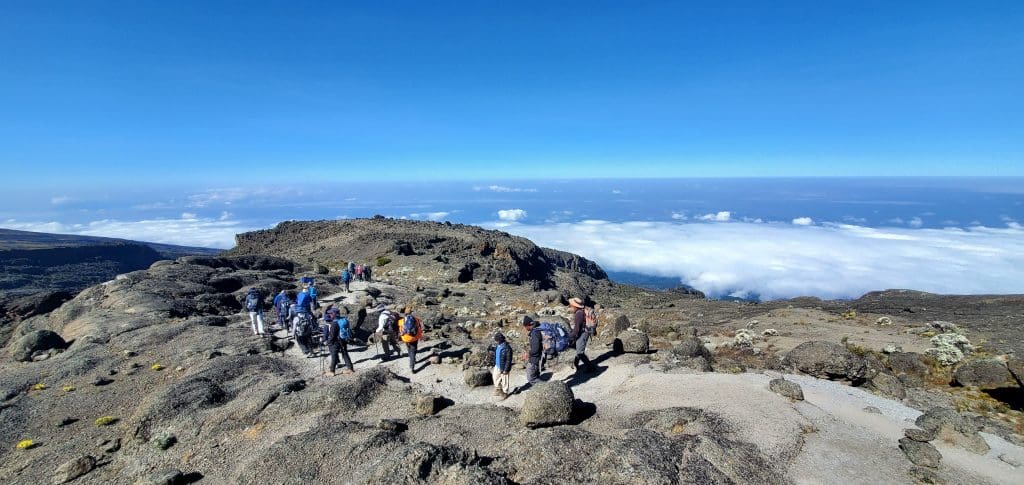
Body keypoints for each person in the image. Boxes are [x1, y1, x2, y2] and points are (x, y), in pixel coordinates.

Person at [323, 306, 354, 376]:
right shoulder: (344, 320)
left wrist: (328, 343)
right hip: (344, 339)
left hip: (336, 341)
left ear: (334, 314)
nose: (329, 315)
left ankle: (332, 371)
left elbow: (332, 335)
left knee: (334, 355)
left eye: (331, 313)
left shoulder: (334, 323)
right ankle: (350, 369)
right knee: (345, 354)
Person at [569, 297, 595, 372]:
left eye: (571, 305)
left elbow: (577, 329)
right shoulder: (581, 312)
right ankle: (576, 364)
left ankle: (591, 368)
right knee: (578, 349)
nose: (570, 306)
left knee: (580, 352)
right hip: (583, 332)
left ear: (575, 306)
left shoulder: (579, 314)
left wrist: (569, 336)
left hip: (583, 333)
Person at [398, 307, 423, 373]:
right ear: (411, 312)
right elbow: (419, 328)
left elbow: (399, 329)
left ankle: (413, 360)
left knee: (409, 349)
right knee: (413, 351)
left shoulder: (400, 321)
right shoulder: (416, 319)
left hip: (405, 338)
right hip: (414, 338)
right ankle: (412, 366)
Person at [294, 287, 315, 355]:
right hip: (307, 316)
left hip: (301, 330)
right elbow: (311, 302)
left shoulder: (299, 294)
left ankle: (306, 351)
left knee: (300, 338)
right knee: (309, 337)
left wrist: (293, 333)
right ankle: (311, 351)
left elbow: (297, 302)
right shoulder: (308, 295)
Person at [522, 315, 543, 385]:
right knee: (535, 376)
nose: (525, 328)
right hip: (537, 358)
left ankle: (545, 388)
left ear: (527, 325)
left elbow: (535, 349)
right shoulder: (536, 331)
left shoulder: (534, 333)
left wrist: (528, 354)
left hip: (534, 359)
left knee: (531, 378)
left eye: (525, 326)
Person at [491, 332, 512, 399]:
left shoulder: (507, 348)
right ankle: (498, 389)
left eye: (497, 340)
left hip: (504, 367)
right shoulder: (498, 346)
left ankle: (505, 393)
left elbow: (509, 360)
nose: (497, 341)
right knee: (495, 378)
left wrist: (506, 369)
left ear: (501, 339)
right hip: (497, 365)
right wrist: (491, 348)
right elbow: (496, 352)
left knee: (505, 381)